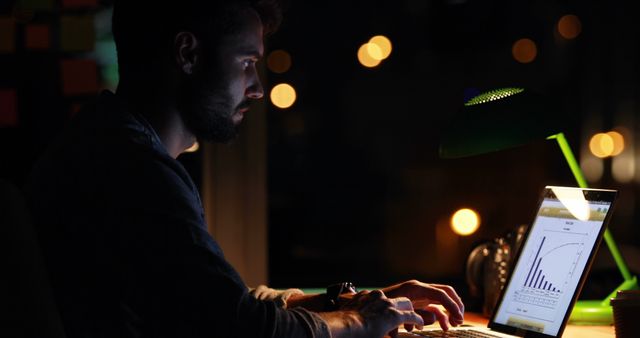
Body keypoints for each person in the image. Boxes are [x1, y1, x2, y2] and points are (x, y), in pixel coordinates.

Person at [26, 0, 465, 337]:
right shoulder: (132, 169)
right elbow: (243, 329)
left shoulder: (109, 141)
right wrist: (358, 322)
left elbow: (219, 305)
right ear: (188, 53)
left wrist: (350, 302)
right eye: (247, 63)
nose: (256, 89)